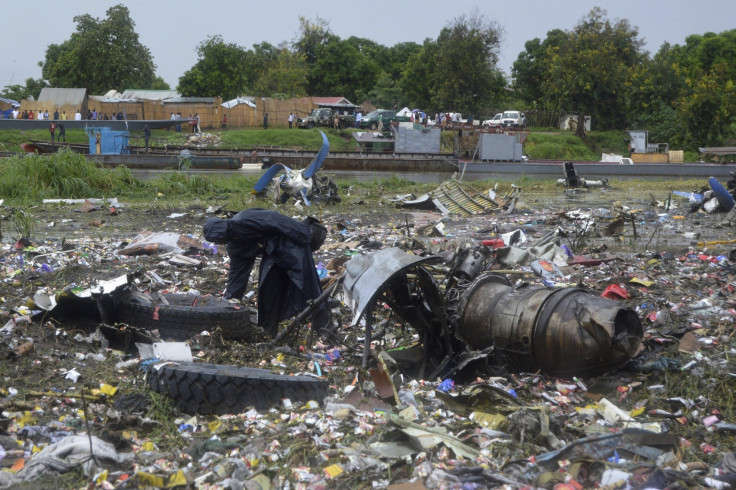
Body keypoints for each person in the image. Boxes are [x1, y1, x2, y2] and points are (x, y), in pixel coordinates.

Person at [203, 209, 330, 337]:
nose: (220, 242)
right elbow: (238, 272)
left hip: (292, 240)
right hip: (273, 253)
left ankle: (325, 328)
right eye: (217, 241)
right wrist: (231, 299)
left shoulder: (243, 219)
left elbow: (275, 219)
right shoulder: (235, 246)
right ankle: (269, 333)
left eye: (220, 238)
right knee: (267, 290)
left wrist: (305, 233)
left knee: (306, 284)